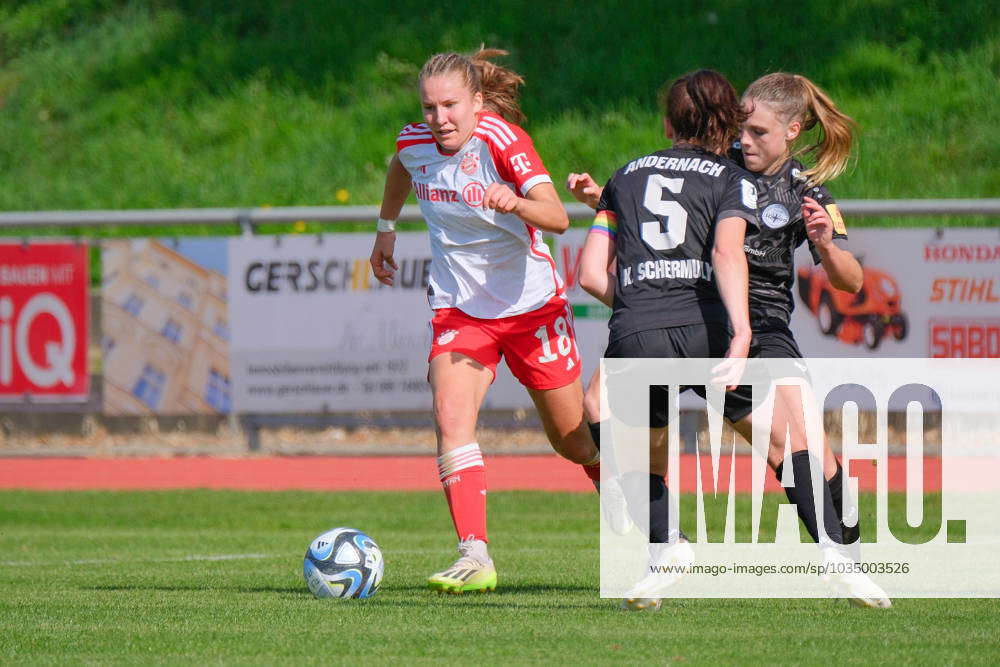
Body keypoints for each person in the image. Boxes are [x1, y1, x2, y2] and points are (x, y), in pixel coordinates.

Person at [570, 71, 891, 609]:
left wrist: (826, 246)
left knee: (812, 454)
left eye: (760, 132)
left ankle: (851, 559)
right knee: (611, 413)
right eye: (742, 127)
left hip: (762, 329)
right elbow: (661, 225)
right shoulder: (721, 167)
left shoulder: (806, 191)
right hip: (702, 318)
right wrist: (599, 202)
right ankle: (666, 542)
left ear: (792, 130)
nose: (746, 140)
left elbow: (851, 283)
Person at [369, 49, 600, 595]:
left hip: (531, 309)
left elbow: (559, 217)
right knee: (451, 417)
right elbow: (402, 165)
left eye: (450, 105)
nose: (439, 118)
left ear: (476, 102)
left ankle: (651, 526)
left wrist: (515, 203)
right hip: (459, 310)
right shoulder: (414, 141)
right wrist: (385, 228)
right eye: (429, 107)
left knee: (574, 443)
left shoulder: (502, 141)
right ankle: (474, 554)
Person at [576, 69, 759, 611]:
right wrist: (742, 331)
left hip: (638, 331)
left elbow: (589, 274)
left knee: (601, 408)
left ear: (667, 123)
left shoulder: (625, 175)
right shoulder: (731, 177)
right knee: (778, 441)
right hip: (707, 326)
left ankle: (665, 539)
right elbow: (727, 253)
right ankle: (842, 549)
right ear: (727, 122)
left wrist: (638, 300)